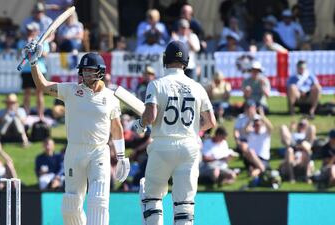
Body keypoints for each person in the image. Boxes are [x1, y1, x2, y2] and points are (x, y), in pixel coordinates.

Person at [23, 40, 130, 224]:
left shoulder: (111, 98)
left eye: (90, 70)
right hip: (74, 150)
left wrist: (121, 156)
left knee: (98, 200)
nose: (86, 74)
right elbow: (43, 85)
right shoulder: (71, 90)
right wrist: (34, 62)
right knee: (70, 206)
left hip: (99, 151)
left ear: (100, 72)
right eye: (84, 70)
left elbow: (117, 128)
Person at [133, 41, 216, 225]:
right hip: (189, 147)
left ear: (165, 59)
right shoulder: (197, 87)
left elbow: (151, 115)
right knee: (184, 204)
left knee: (152, 196)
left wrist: (139, 124)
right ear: (186, 61)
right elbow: (211, 121)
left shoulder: (156, 84)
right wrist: (192, 128)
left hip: (162, 145)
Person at [18, 22, 50, 118]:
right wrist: (28, 46)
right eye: (28, 30)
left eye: (31, 30)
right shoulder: (22, 41)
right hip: (27, 70)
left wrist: (37, 49)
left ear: (37, 31)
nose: (29, 32)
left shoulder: (43, 41)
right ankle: (26, 114)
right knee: (27, 93)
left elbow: (45, 54)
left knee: (39, 93)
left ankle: (41, 115)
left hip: (39, 69)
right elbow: (21, 54)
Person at [243, 109, 273, 177]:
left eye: (258, 124)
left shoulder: (265, 133)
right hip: (251, 157)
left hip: (263, 158)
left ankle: (259, 170)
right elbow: (245, 129)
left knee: (255, 172)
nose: (257, 126)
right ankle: (263, 169)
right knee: (250, 152)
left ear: (262, 124)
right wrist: (250, 118)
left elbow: (270, 127)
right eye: (255, 125)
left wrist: (263, 116)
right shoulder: (251, 132)